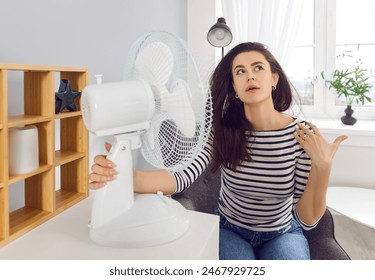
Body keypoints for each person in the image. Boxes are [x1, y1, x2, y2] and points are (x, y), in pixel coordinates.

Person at [89, 42, 347, 260]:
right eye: (240, 71)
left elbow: (308, 219)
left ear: (274, 79)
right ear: (234, 86)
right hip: (230, 229)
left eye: (258, 68)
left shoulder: (300, 135)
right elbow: (183, 175)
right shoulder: (223, 129)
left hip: (282, 232)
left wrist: (323, 166)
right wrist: (121, 175)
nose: (250, 76)